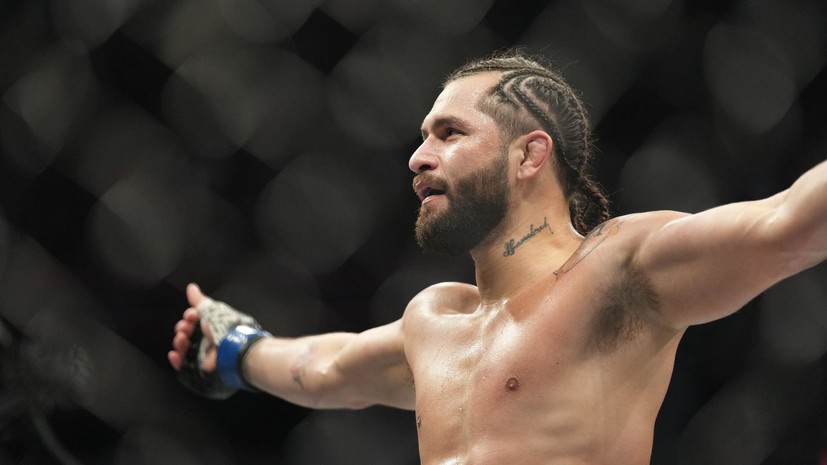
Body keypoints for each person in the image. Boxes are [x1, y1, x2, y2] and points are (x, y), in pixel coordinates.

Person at [168, 50, 827, 464]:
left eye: (449, 133)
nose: (417, 157)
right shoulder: (433, 319)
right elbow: (325, 368)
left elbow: (787, 222)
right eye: (422, 136)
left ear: (528, 155)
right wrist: (234, 348)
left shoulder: (620, 270)